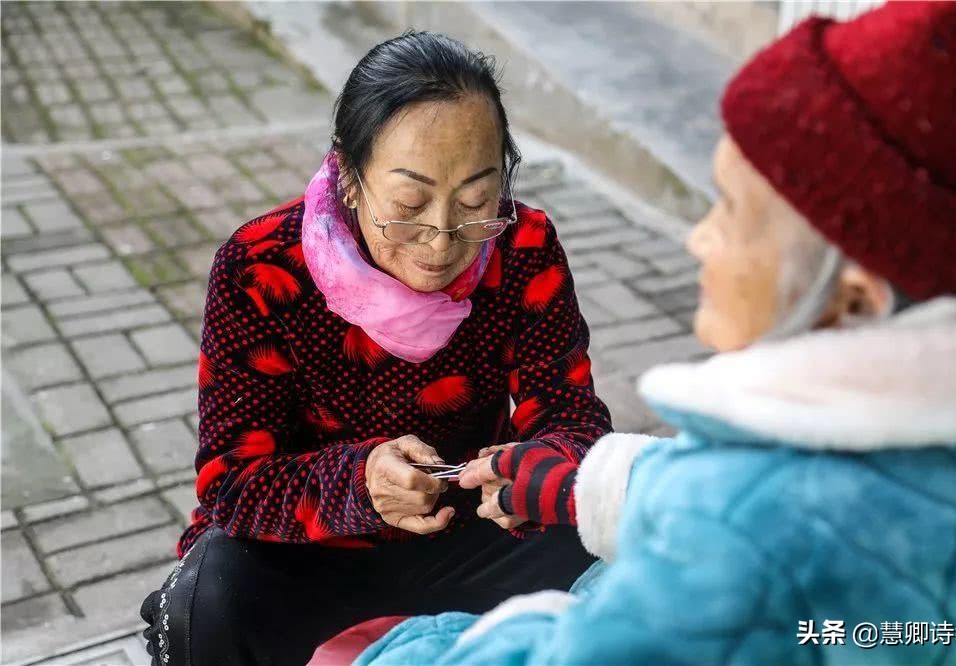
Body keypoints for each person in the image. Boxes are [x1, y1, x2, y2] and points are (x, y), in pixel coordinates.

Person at [356, 2, 956, 664]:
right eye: (407, 205)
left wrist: (400, 649)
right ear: (352, 180)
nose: (700, 237)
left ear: (855, 303)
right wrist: (586, 482)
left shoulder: (741, 532)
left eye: (732, 213)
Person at [138, 30, 612, 666]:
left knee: (611, 538)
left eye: (476, 201)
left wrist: (530, 473)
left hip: (475, 526)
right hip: (312, 547)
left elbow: (573, 423)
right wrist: (358, 482)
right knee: (209, 597)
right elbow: (230, 485)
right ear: (351, 178)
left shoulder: (523, 246)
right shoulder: (262, 267)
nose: (443, 240)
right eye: (410, 204)